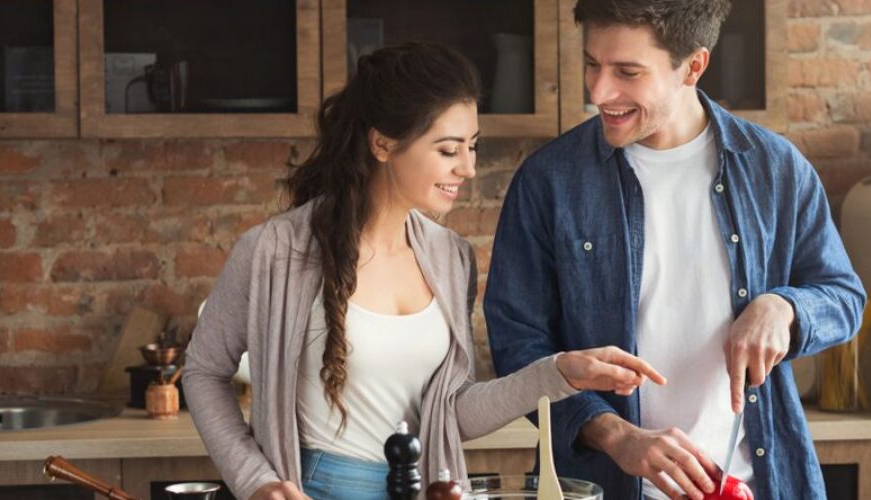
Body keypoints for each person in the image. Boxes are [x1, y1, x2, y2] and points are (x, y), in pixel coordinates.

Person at [183, 42, 664, 500]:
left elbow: (450, 414)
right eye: (449, 150)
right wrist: (255, 481)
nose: (468, 169)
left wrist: (559, 372)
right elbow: (203, 372)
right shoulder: (275, 251)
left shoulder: (450, 258)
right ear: (383, 144)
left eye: (472, 146)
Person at [484, 1, 867, 498]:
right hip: (604, 484)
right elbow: (518, 347)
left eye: (628, 72)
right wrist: (615, 435)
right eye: (592, 64)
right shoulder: (549, 182)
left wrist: (785, 308)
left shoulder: (775, 169)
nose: (599, 91)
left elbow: (842, 295)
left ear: (693, 66)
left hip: (757, 483)